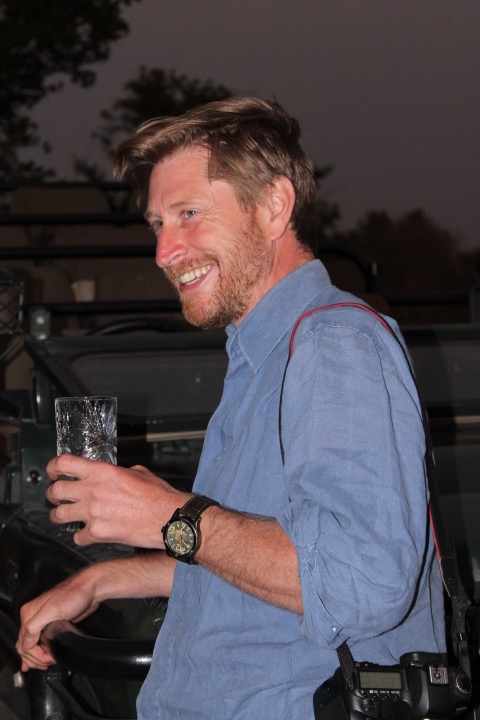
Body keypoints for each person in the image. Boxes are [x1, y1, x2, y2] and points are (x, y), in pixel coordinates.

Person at [17, 97, 445, 719]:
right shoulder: (261, 357)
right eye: (158, 224)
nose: (166, 251)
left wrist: (170, 514)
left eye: (189, 213)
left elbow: (360, 583)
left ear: (273, 206)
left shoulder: (333, 346)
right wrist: (105, 579)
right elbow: (268, 558)